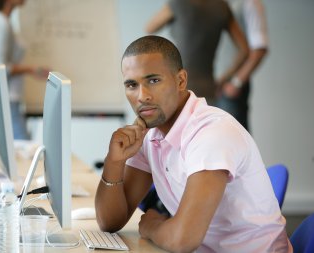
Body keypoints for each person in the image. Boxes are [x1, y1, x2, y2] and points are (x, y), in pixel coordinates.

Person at [95, 35, 292, 252]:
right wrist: (114, 161)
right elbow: (110, 222)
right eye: (132, 85)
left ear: (180, 80)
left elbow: (182, 240)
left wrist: (152, 227)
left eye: (153, 80)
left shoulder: (211, 133)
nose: (142, 96)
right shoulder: (148, 135)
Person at [145, 0, 249, 105]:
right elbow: (244, 50)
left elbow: (150, 27)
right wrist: (223, 80)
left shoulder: (178, 2)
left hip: (178, 88)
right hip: (207, 90)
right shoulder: (222, 7)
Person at [0, 0, 48, 140]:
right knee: (22, 150)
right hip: (5, 102)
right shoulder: (0, 24)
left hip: (0, 101)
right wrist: (32, 69)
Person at [216, 0, 269, 131]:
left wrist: (235, 83)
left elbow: (259, 48)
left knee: (233, 142)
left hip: (228, 89)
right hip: (211, 86)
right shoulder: (214, 4)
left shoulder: (249, 3)